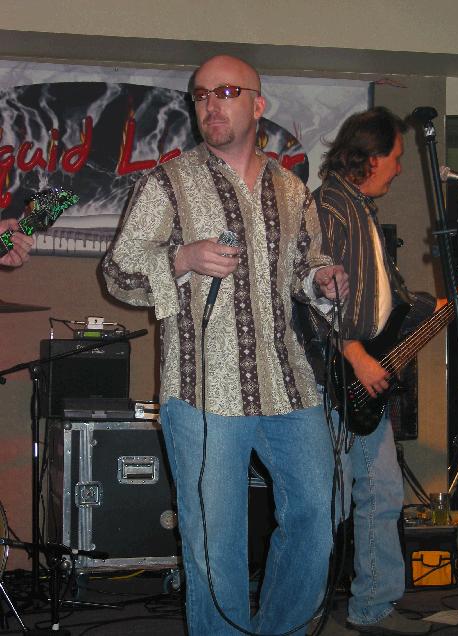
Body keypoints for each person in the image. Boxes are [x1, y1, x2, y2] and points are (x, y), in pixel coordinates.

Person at [102, 54, 349, 636]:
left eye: (227, 92)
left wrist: (321, 279)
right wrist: (182, 258)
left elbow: (302, 267)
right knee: (217, 543)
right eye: (201, 94)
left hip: (289, 384)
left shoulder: (291, 188)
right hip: (202, 390)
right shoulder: (167, 183)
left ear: (258, 105)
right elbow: (117, 272)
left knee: (318, 517)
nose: (211, 104)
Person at [310, 106, 458, 635]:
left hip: (361, 378)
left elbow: (386, 304)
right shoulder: (330, 208)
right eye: (396, 158)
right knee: (325, 503)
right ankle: (305, 613)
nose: (401, 168)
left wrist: (446, 306)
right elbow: (310, 297)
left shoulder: (361, 210)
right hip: (333, 378)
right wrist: (356, 356)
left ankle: (373, 606)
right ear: (370, 157)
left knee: (380, 494)